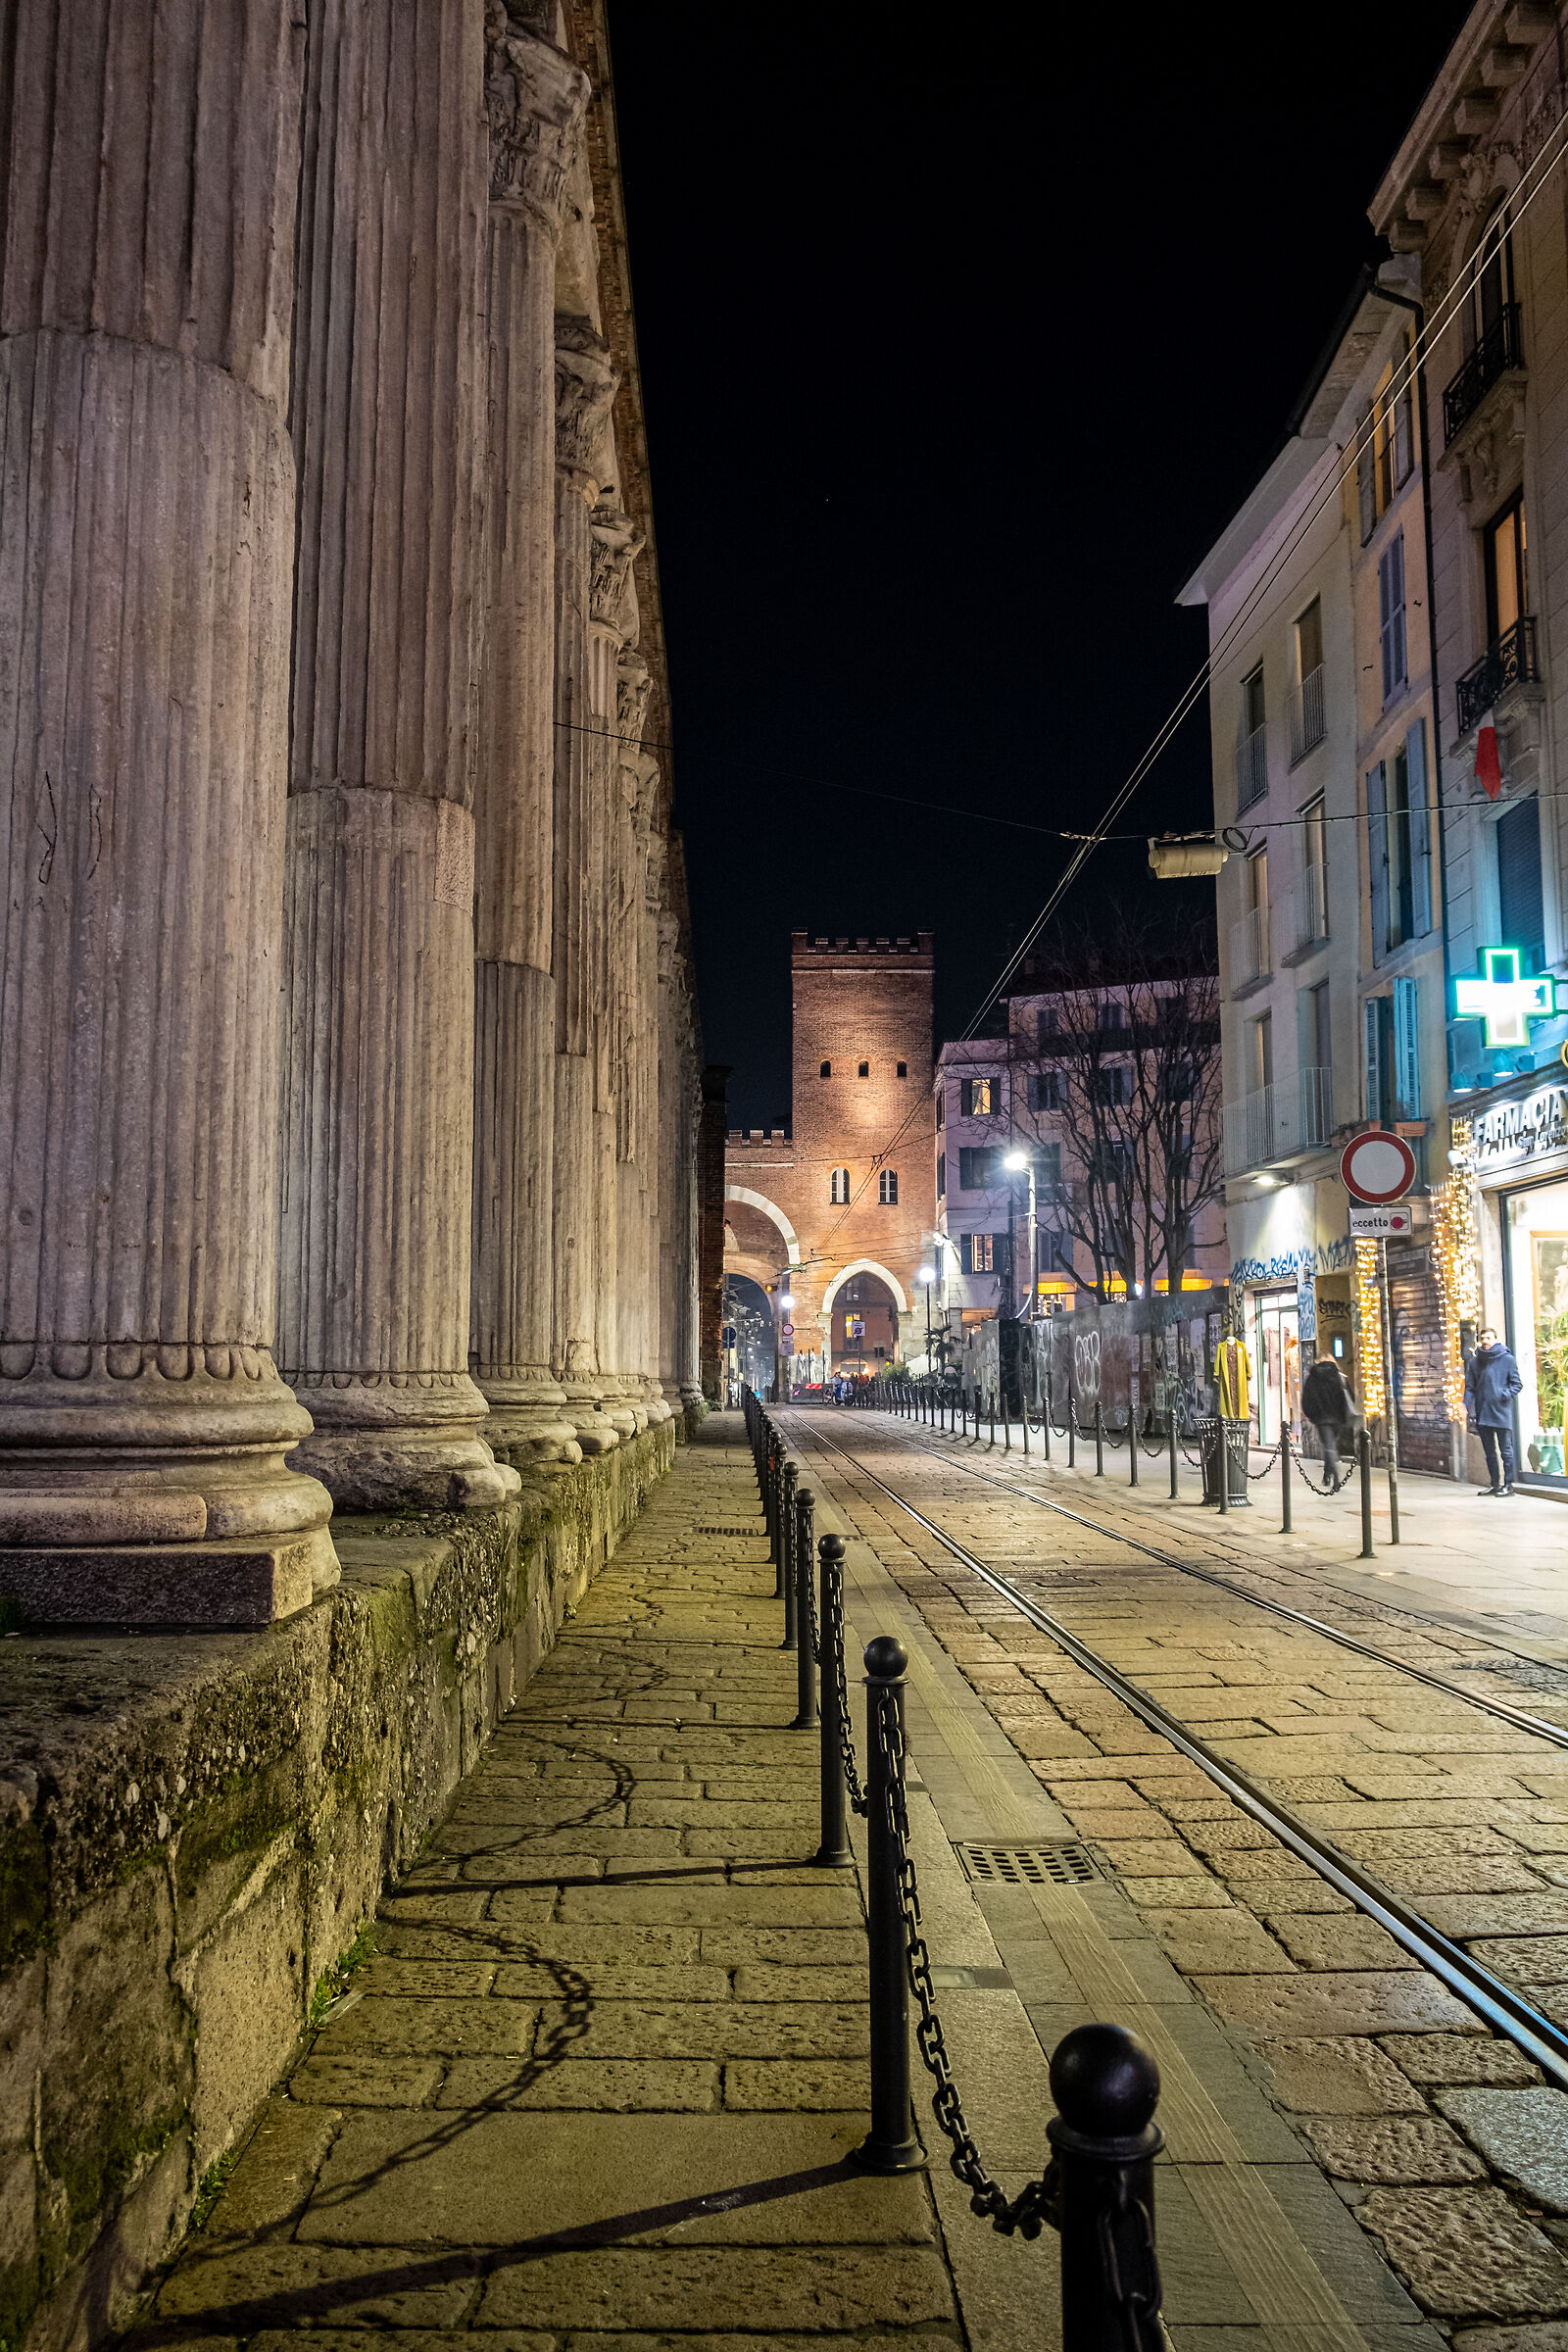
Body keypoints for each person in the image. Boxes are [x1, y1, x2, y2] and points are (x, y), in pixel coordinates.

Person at [1465, 1327, 1524, 1496]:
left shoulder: (1507, 1359)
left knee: (1506, 1450)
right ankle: (1495, 1484)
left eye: (1489, 1338)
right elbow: (1470, 1387)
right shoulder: (1474, 1362)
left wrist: (1504, 1395)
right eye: (1483, 1338)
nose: (1485, 1341)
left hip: (1501, 1412)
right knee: (1489, 1452)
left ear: (1496, 1339)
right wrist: (1465, 1405)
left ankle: (1509, 1484)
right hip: (1483, 1413)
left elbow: (1517, 1384)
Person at [1300, 1350, 1361, 1492]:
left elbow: (1307, 1399)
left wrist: (1313, 1415)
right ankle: (1328, 1474)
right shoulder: (1339, 1377)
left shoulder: (1313, 1377)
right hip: (1337, 1418)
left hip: (1322, 1419)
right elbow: (1350, 1397)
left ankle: (1335, 1477)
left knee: (1329, 1447)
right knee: (1331, 1446)